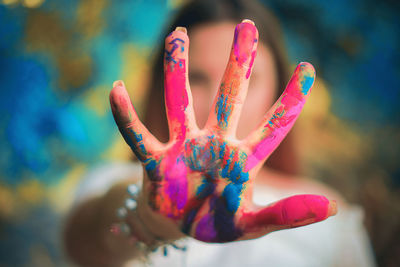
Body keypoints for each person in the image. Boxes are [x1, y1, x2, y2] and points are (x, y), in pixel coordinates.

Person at [63, 0, 376, 266]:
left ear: (278, 90)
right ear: (163, 84)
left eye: (248, 79)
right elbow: (86, 246)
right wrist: (147, 220)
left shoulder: (319, 212)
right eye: (197, 78)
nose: (220, 99)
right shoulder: (113, 182)